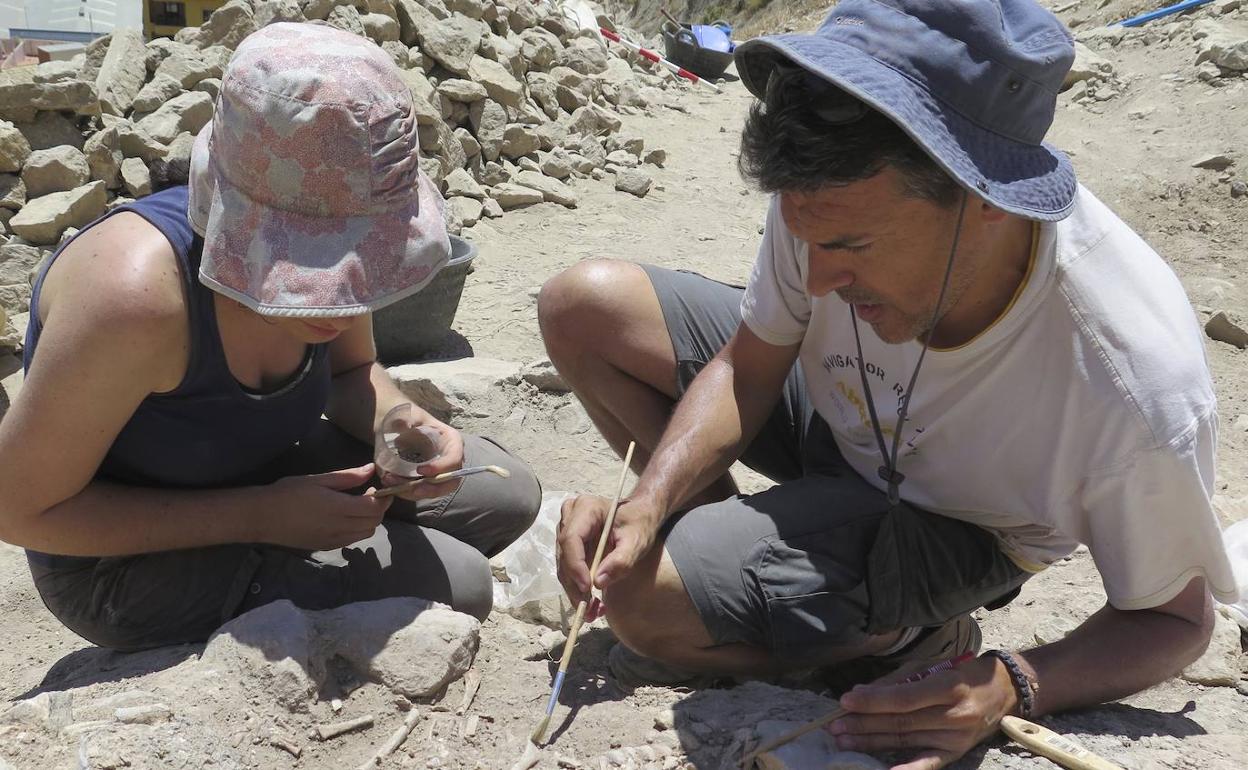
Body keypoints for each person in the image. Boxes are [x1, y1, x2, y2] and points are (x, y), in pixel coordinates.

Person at [539, 1, 1237, 767]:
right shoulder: (830, 194)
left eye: (851, 247)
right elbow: (747, 365)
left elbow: (1175, 620)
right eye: (805, 237)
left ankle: (903, 630)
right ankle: (735, 576)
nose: (822, 277)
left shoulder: (1129, 380)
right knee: (584, 308)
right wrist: (652, 504)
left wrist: (1014, 683)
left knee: (643, 605)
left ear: (989, 204)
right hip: (844, 419)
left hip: (954, 523)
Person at [0, 22, 540, 652]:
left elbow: (347, 373)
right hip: (119, 559)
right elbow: (20, 509)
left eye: (361, 253)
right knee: (463, 584)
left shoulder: (332, 239)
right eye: (323, 262)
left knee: (506, 490)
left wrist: (397, 422)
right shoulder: (133, 298)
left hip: (264, 472)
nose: (345, 287)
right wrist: (259, 516)